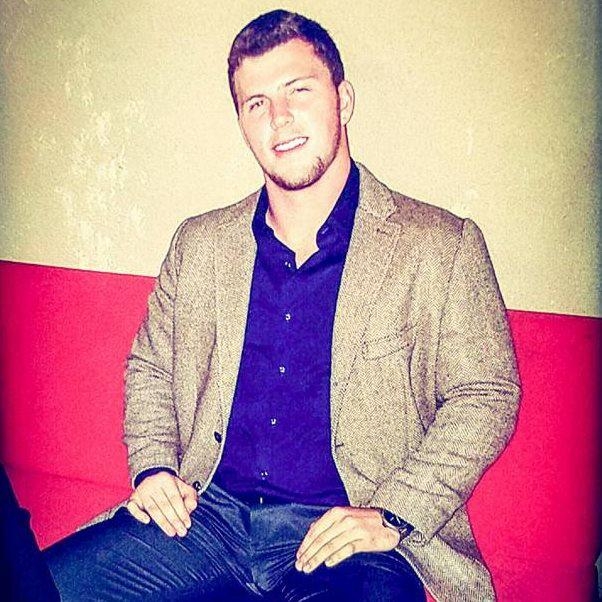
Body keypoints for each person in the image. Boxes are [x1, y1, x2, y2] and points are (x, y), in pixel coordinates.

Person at [44, 9, 521, 602]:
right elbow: (151, 367)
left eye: (299, 90)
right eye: (257, 103)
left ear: (343, 99)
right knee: (33, 585)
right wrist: (154, 467)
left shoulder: (439, 245)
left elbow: (486, 393)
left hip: (348, 541)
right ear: (243, 123)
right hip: (206, 519)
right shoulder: (200, 244)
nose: (280, 118)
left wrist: (393, 513)